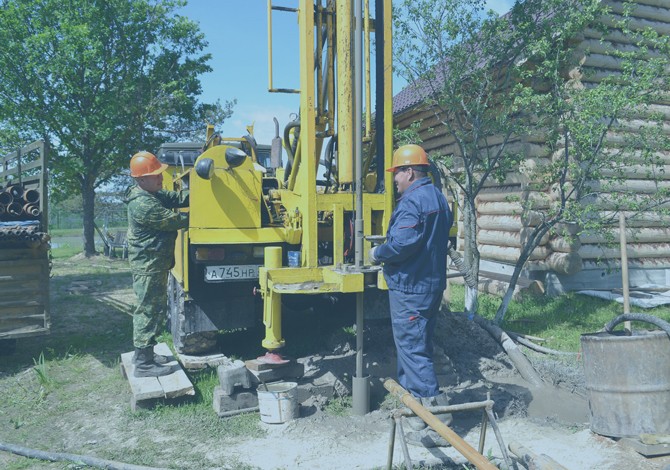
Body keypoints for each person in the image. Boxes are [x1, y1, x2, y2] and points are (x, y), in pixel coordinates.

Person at [368, 144, 454, 448]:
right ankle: (416, 409)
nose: (394, 180)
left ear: (410, 171)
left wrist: (378, 252)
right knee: (417, 347)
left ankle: (438, 424)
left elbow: (403, 245)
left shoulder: (412, 202)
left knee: (413, 351)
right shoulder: (440, 200)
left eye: (396, 174)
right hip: (431, 285)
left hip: (411, 288)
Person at [125, 151, 189, 378]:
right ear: (141, 179)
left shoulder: (151, 194)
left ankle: (146, 355)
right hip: (148, 264)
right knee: (149, 311)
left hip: (154, 262)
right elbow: (173, 221)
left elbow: (175, 199)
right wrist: (204, 215)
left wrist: (198, 194)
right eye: (155, 175)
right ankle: (143, 364)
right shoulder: (143, 204)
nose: (161, 178)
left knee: (154, 308)